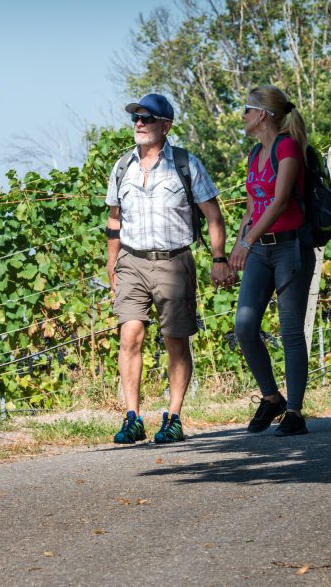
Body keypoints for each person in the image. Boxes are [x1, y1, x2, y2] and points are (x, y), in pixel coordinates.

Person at [105, 93, 234, 445]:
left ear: (166, 126)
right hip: (131, 260)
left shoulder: (185, 164)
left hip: (174, 261)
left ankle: (173, 417)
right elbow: (114, 219)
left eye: (147, 118)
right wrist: (111, 260)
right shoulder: (122, 167)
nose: (139, 124)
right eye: (136, 118)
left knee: (175, 340)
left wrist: (219, 258)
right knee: (129, 336)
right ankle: (132, 417)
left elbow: (213, 215)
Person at [229, 85, 315, 436]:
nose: (244, 116)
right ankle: (271, 396)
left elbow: (279, 202)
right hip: (260, 250)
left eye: (247, 110)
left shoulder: (288, 147)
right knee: (245, 327)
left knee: (291, 330)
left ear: (262, 114)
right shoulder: (254, 154)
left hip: (289, 248)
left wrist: (245, 244)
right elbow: (253, 206)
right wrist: (237, 246)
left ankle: (294, 411)